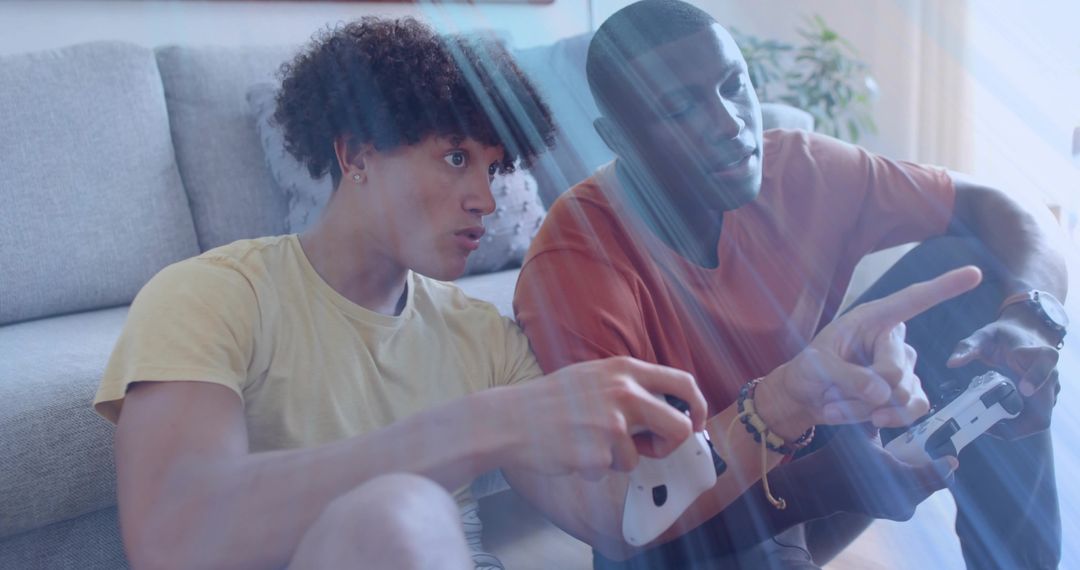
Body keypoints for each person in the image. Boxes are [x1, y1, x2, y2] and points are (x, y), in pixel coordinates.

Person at [94, 15, 986, 570]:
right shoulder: (211, 295)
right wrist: (482, 424)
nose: (488, 196)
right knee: (397, 513)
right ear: (353, 154)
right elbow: (176, 534)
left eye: (497, 166)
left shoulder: (480, 338)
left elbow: (622, 518)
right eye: (454, 158)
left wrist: (788, 397)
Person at [510, 1, 1068, 568]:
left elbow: (1009, 209)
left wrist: (1032, 317)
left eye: (733, 85)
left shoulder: (801, 169)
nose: (728, 123)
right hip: (685, 524)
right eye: (680, 109)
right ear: (620, 138)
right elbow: (624, 516)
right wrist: (819, 487)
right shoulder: (575, 266)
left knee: (977, 275)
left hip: (807, 443)